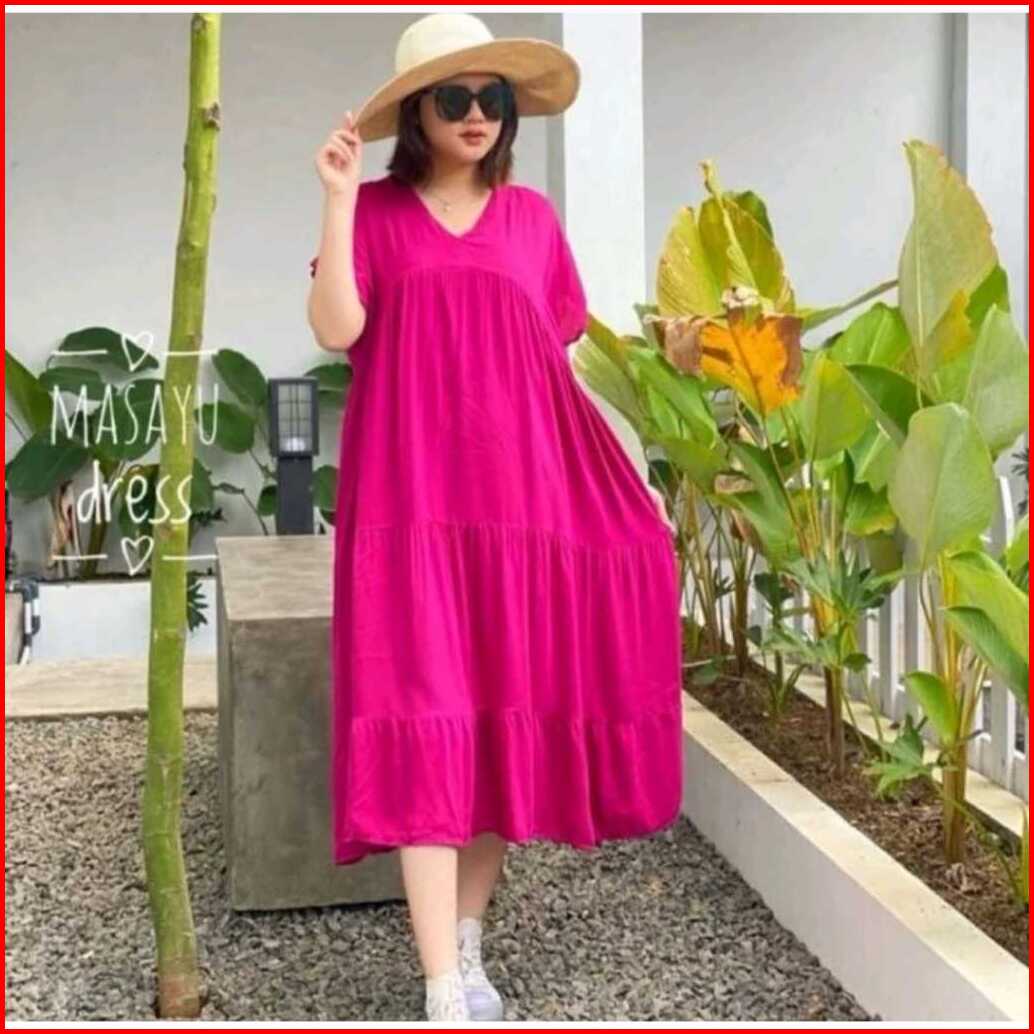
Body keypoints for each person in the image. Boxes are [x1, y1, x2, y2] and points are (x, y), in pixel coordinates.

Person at [307, 12, 683, 1023]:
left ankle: (466, 941)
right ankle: (441, 985)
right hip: (409, 512)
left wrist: (621, 476)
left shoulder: (531, 222)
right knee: (424, 720)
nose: (476, 115)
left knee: (495, 724)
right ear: (415, 114)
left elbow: (550, 373)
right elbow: (338, 327)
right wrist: (337, 200)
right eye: (453, 98)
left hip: (519, 515)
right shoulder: (374, 213)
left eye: (492, 98)